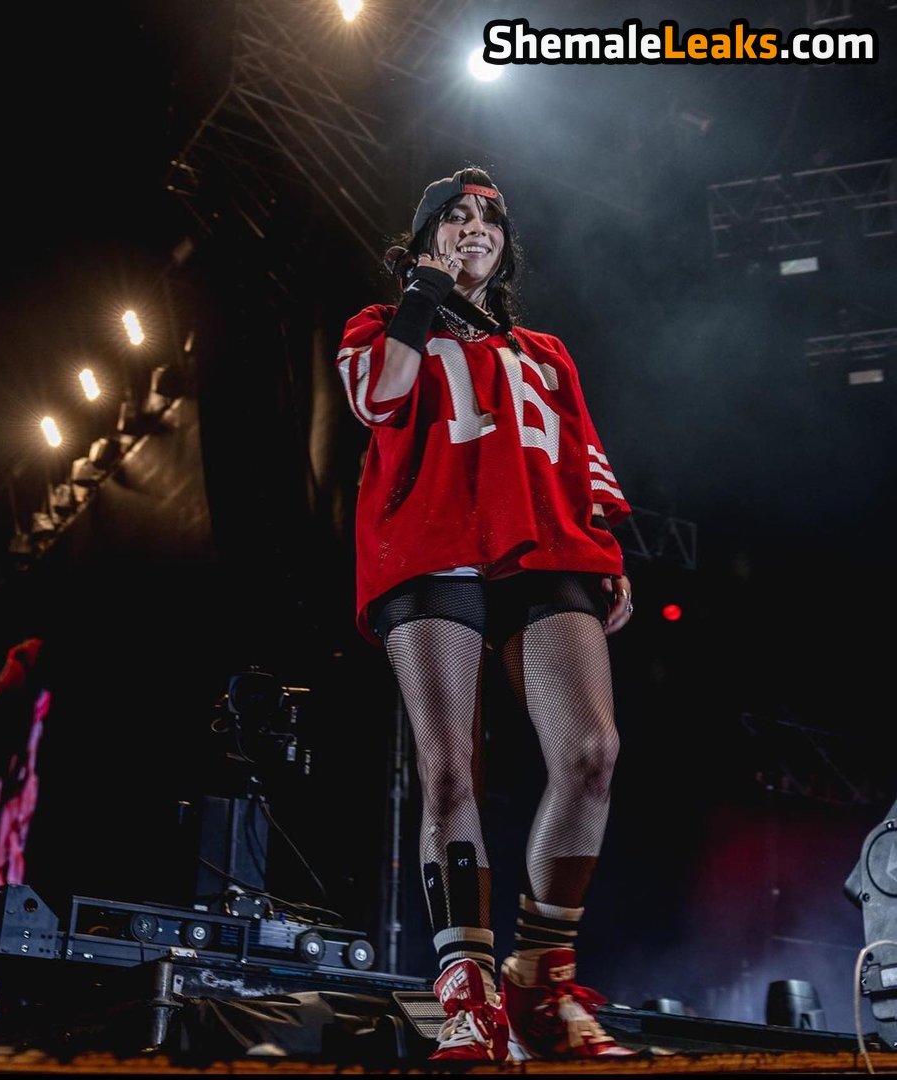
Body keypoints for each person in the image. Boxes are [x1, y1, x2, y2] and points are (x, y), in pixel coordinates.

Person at [334, 166, 636, 1063]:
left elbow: (582, 454)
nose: (476, 228)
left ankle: (538, 979)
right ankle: (467, 992)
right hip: (428, 548)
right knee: (448, 770)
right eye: (455, 217)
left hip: (544, 547)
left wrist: (608, 546)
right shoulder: (381, 324)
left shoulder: (544, 349)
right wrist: (422, 294)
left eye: (489, 220)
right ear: (425, 238)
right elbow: (378, 397)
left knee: (591, 752)